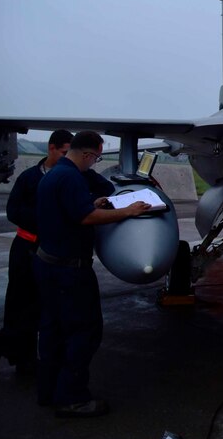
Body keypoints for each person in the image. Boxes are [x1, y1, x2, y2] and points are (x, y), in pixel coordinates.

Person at [33, 130, 150, 418]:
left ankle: (48, 391)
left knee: (52, 331)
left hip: (46, 265)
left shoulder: (54, 175)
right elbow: (85, 218)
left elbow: (72, 211)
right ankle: (72, 397)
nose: (95, 163)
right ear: (87, 154)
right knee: (83, 332)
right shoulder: (72, 177)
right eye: (96, 158)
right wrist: (128, 211)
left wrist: (92, 204)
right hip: (69, 272)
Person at [0, 130, 74, 383]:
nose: (67, 158)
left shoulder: (70, 177)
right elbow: (13, 211)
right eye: (64, 152)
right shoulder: (29, 178)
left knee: (38, 308)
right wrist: (46, 221)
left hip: (47, 252)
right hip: (26, 249)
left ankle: (25, 361)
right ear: (51, 149)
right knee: (21, 306)